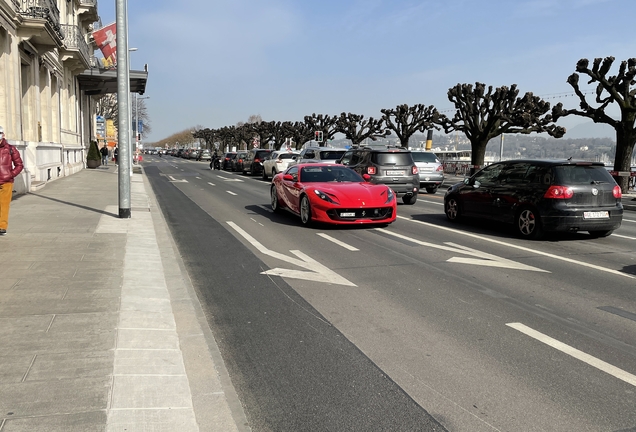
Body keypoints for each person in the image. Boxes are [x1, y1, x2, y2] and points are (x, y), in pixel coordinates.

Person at [0, 126, 24, 236]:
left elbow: (19, 165)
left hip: (6, 182)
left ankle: (2, 227)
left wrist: (11, 174)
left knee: (4, 205)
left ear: (3, 135)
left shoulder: (10, 149)